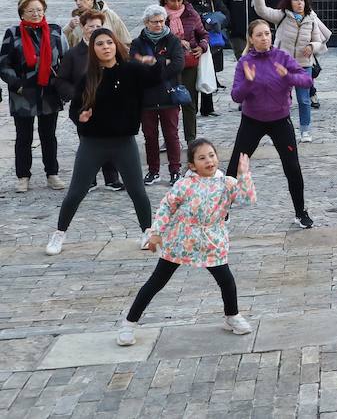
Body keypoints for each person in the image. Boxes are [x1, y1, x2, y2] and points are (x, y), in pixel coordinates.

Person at [119, 140, 256, 347]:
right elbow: (166, 207)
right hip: (181, 240)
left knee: (226, 280)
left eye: (211, 155)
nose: (209, 161)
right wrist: (155, 233)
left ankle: (232, 316)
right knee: (157, 282)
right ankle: (129, 323)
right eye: (202, 158)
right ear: (192, 165)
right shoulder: (184, 185)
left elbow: (246, 200)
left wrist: (244, 175)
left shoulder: (226, 183)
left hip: (212, 241)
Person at [45, 27, 160, 255]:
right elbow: (75, 110)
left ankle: (147, 231)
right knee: (76, 192)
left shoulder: (131, 70)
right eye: (100, 44)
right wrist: (81, 117)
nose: (105, 47)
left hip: (124, 142)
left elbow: (155, 80)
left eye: (109, 42)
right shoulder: (89, 77)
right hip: (93, 143)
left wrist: (153, 63)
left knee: (137, 191)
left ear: (115, 44)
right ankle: (59, 234)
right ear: (93, 49)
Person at [226, 19, 314, 228]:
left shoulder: (282, 57)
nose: (264, 38)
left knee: (292, 167)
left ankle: (300, 212)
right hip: (252, 121)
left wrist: (289, 76)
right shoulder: (245, 62)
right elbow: (236, 97)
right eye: (259, 35)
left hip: (280, 120)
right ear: (251, 38)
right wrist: (248, 81)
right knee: (235, 166)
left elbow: (307, 81)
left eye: (267, 33)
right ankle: (221, 210)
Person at [1, 0, 68, 191]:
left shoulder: (55, 31)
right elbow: (3, 64)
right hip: (23, 93)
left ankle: (52, 173)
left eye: (39, 9)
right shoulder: (12, 33)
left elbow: (65, 59)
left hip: (49, 92)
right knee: (24, 136)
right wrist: (17, 85)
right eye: (31, 10)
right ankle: (23, 176)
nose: (36, 13)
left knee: (49, 134)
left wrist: (62, 82)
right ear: (22, 14)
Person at [248, 0, 330, 142]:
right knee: (280, 99)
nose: (299, 3)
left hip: (303, 65)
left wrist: (312, 46)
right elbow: (263, 11)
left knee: (304, 99)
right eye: (296, 0)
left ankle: (305, 130)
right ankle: (277, 131)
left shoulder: (311, 19)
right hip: (282, 64)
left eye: (302, 0)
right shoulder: (282, 16)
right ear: (289, 2)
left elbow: (319, 41)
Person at [54, 10, 123, 190]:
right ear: (83, 28)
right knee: (88, 144)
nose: (94, 29)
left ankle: (111, 178)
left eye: (98, 26)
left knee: (110, 140)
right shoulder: (74, 54)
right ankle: (89, 180)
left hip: (109, 104)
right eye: (90, 26)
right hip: (84, 106)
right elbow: (61, 80)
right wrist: (77, 94)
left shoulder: (110, 48)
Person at [129, 4, 186, 186]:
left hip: (168, 96)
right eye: (155, 22)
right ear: (146, 23)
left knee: (172, 135)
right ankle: (153, 171)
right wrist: (163, 63)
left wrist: (154, 66)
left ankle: (175, 170)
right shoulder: (138, 43)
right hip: (146, 98)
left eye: (162, 21)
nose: (159, 25)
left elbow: (178, 64)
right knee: (150, 136)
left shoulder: (173, 41)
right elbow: (134, 66)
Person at [161, 0, 208, 146]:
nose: (176, 4)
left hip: (189, 61)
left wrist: (202, 47)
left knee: (189, 100)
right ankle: (170, 139)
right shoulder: (160, 16)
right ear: (165, 0)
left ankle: (190, 138)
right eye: (172, 1)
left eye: (179, 0)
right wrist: (176, 42)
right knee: (169, 102)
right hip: (168, 63)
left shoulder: (191, 13)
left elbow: (203, 34)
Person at [187, 0, 227, 117]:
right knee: (193, 75)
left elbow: (225, 13)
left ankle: (207, 107)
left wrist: (216, 20)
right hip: (193, 40)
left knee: (208, 72)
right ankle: (191, 108)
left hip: (210, 39)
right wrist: (205, 19)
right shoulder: (188, 0)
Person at [65, 0, 130, 48]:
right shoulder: (75, 22)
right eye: (76, 0)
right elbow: (64, 45)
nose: (78, 3)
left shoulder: (109, 14)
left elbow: (126, 40)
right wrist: (69, 28)